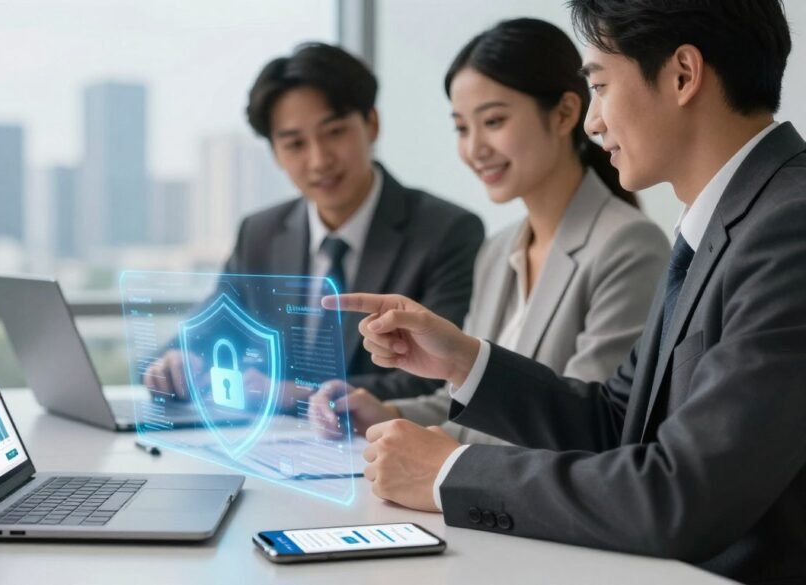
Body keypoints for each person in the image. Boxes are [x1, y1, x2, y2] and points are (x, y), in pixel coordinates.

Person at [323, 1, 806, 581]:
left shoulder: (788, 227)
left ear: (683, 75)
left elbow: (685, 494)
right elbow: (615, 422)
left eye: (599, 86)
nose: (594, 122)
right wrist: (464, 361)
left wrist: (449, 473)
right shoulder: (721, 225)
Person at [309, 18, 669, 442]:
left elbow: (585, 427)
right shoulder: (498, 251)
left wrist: (437, 454)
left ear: (565, 113)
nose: (474, 149)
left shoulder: (628, 246)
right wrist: (383, 412)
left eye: (493, 121)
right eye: (462, 128)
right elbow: (472, 399)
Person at [145, 42, 484, 403]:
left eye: (334, 132)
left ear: (372, 124)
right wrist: (178, 362)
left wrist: (296, 395)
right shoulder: (260, 234)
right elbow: (194, 339)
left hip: (382, 436)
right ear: (275, 154)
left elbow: (443, 379)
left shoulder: (446, 232)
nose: (319, 160)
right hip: (267, 437)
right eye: (295, 144)